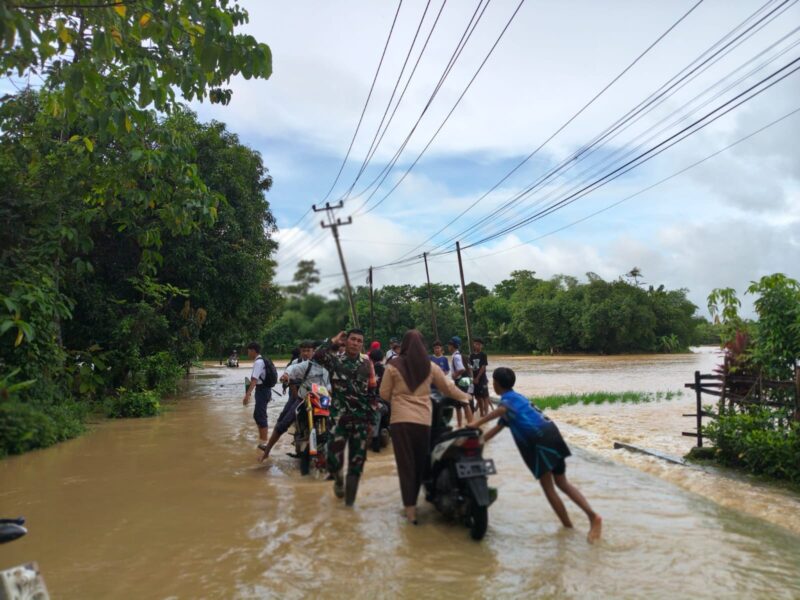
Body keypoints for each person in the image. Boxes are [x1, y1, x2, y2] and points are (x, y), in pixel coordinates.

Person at [467, 367, 602, 543]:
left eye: (493, 381)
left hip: (540, 442)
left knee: (549, 488)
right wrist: (478, 442)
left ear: (496, 383)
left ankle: (576, 525)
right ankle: (578, 525)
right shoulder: (519, 398)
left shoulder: (507, 401)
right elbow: (497, 428)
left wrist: (476, 423)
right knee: (562, 482)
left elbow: (501, 410)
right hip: (552, 435)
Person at [380, 330, 472, 524]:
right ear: (423, 346)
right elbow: (448, 388)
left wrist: (399, 398)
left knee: (406, 466)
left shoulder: (393, 365)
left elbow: (384, 394)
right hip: (423, 422)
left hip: (400, 422)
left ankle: (411, 512)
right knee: (421, 464)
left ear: (404, 345)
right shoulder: (430, 366)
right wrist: (466, 397)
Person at [313, 329, 375, 506]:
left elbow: (372, 393)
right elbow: (318, 356)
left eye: (359, 341)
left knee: (356, 466)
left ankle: (349, 507)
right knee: (333, 461)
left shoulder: (367, 364)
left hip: (360, 421)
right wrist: (334, 340)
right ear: (346, 342)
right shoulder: (335, 361)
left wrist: (372, 422)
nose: (355, 343)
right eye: (352, 339)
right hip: (338, 420)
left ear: (362, 344)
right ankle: (338, 480)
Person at [259, 340, 330, 462]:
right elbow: (291, 369)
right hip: (302, 398)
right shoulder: (303, 364)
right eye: (304, 351)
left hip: (320, 399)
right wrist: (286, 376)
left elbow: (331, 385)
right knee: (284, 422)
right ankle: (267, 451)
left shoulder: (328, 368)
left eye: (309, 351)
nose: (306, 353)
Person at [242, 342, 276, 455]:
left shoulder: (258, 362)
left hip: (262, 391)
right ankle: (262, 439)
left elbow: (254, 380)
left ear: (253, 351)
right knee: (258, 415)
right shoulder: (262, 360)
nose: (247, 353)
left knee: (260, 416)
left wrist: (247, 395)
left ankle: (264, 442)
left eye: (248, 351)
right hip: (264, 390)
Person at [368, 348, 388, 452]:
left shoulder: (367, 368)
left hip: (372, 400)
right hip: (384, 401)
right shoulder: (387, 369)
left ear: (371, 358)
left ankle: (375, 439)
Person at [448, 336, 469, 426]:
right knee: (461, 403)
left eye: (449, 345)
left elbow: (461, 369)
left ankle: (465, 423)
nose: (448, 347)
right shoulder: (458, 355)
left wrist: (454, 375)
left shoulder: (456, 356)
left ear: (453, 346)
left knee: (461, 404)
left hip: (461, 380)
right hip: (465, 379)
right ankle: (463, 424)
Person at [469, 338, 490, 416]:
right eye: (475, 344)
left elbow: (483, 367)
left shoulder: (483, 355)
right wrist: (472, 378)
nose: (477, 345)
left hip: (482, 378)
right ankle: (481, 413)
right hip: (474, 379)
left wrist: (477, 378)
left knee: (485, 396)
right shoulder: (471, 356)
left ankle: (486, 413)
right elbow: (470, 368)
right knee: (478, 396)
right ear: (473, 345)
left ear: (482, 346)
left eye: (479, 344)